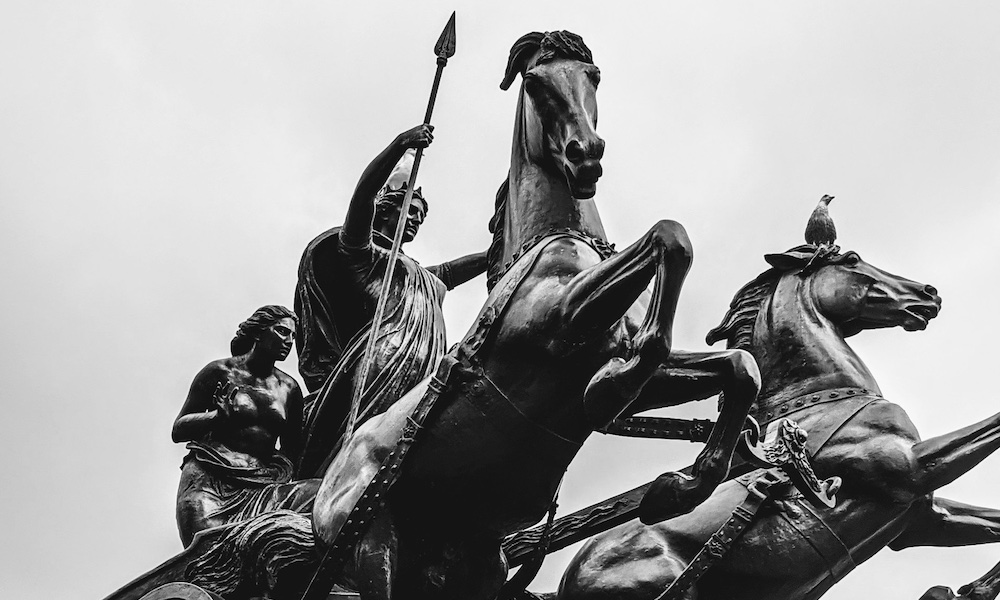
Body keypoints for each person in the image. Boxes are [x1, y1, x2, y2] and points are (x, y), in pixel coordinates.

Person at [294, 124, 488, 477]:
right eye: (410, 211)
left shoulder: (414, 270)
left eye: (421, 216)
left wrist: (500, 250)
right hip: (378, 370)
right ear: (387, 209)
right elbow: (362, 197)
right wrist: (400, 145)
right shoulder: (361, 255)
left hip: (424, 370)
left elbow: (448, 273)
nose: (415, 220)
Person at [172, 305, 320, 547]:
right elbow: (178, 430)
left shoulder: (289, 388)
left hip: (262, 484)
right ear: (259, 332)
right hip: (210, 480)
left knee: (321, 495)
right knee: (209, 550)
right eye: (282, 331)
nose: (289, 341)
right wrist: (215, 419)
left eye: (293, 336)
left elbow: (293, 449)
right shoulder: (219, 372)